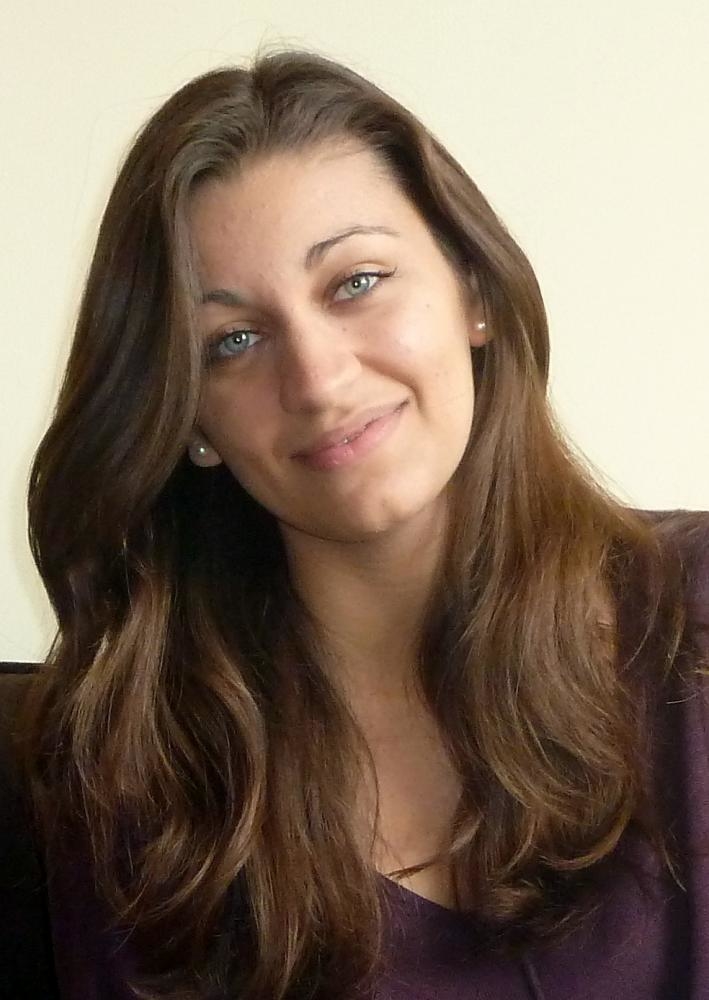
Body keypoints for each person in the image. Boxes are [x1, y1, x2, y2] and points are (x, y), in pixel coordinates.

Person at [12, 48, 708, 1000]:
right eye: (233, 341)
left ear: (472, 290)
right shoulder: (139, 763)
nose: (317, 380)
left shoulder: (693, 621)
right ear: (189, 419)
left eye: (356, 282)